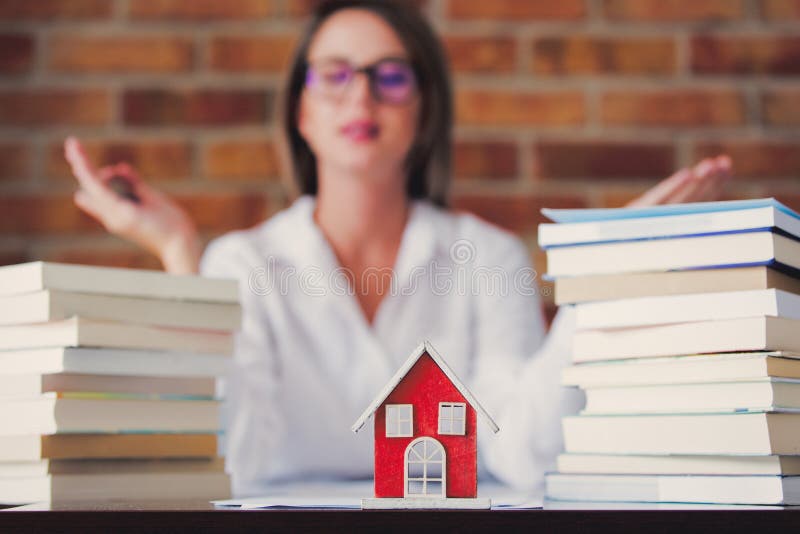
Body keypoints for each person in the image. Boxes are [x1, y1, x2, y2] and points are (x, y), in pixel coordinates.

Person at [63, 0, 733, 497]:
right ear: (301, 111)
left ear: (423, 111)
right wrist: (181, 252)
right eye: (335, 74)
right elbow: (233, 456)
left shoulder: (490, 259)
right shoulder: (242, 264)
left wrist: (602, 275)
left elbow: (525, 452)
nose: (361, 93)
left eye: (391, 77)